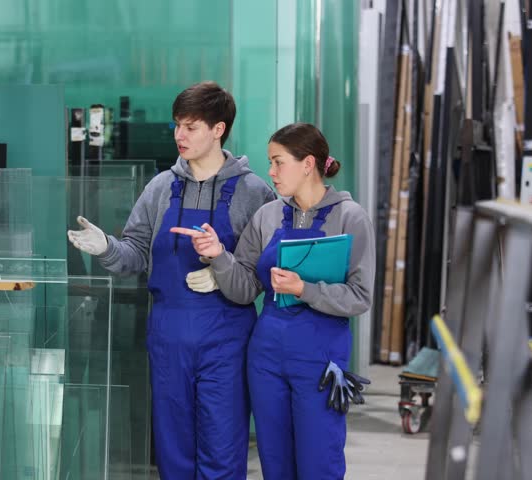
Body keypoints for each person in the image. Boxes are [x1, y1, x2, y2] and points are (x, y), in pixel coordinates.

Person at [67, 81, 276, 479]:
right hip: (167, 334)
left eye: (191, 126)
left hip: (226, 337)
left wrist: (223, 274)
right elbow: (134, 255)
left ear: (218, 129)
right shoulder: (161, 188)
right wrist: (105, 248)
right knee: (172, 447)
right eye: (177, 125)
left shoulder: (254, 194)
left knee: (222, 443)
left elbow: (262, 274)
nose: (180, 135)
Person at [171, 122, 375, 479]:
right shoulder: (267, 216)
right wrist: (219, 256)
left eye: (279, 162)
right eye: (270, 162)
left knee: (318, 464)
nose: (271, 172)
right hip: (265, 357)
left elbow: (360, 296)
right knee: (274, 463)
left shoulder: (349, 217)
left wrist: (304, 289)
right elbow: (246, 287)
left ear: (308, 164)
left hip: (319, 360)